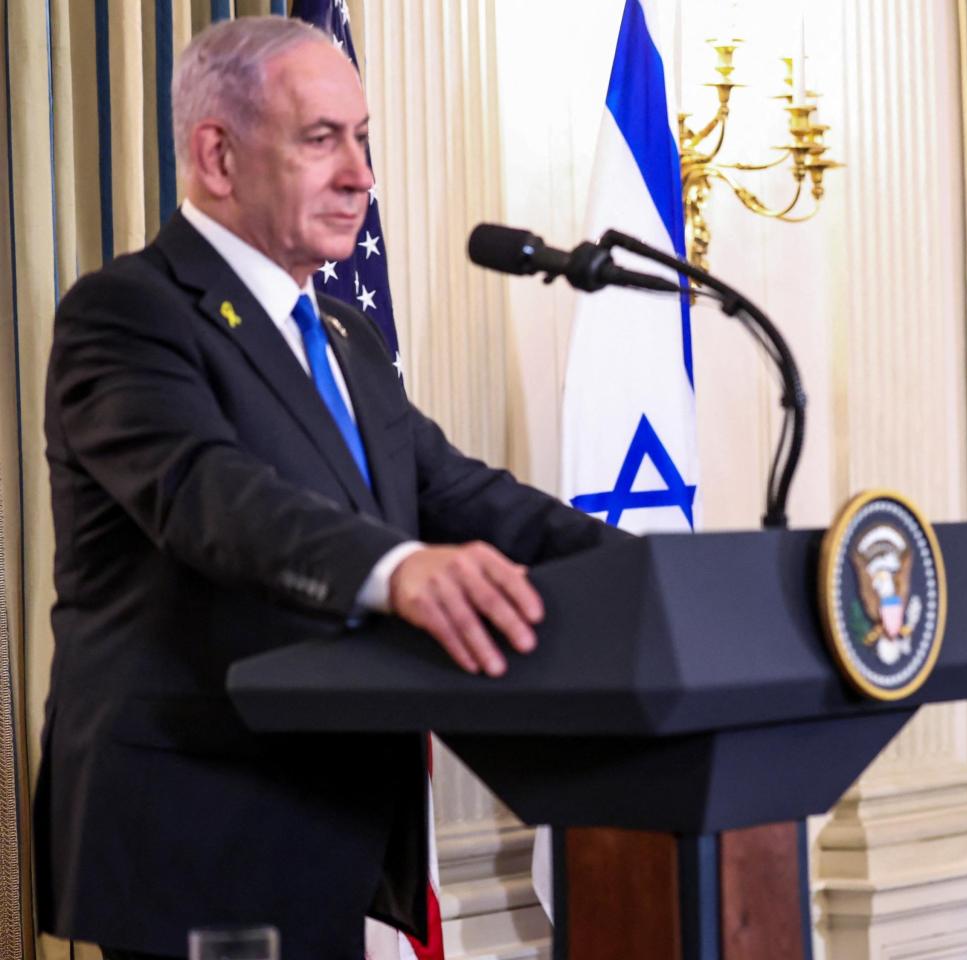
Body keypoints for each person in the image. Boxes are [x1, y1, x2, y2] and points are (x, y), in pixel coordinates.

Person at [33, 17, 622, 959]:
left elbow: (461, 493)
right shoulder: (127, 313)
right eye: (322, 139)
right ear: (216, 156)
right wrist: (400, 571)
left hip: (329, 817)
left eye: (363, 139)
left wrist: (653, 575)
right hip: (196, 829)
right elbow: (209, 495)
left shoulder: (344, 337)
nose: (362, 175)